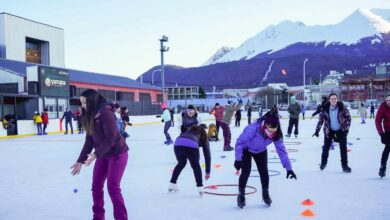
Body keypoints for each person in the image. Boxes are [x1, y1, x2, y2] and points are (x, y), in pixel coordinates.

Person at [70, 89, 129, 220]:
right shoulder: (89, 115)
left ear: (92, 101)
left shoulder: (106, 114)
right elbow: (89, 140)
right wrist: (80, 160)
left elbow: (111, 138)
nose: (83, 106)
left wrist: (95, 154)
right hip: (103, 155)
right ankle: (98, 217)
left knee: (113, 188)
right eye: (82, 103)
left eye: (85, 103)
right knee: (96, 186)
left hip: (117, 154)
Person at [234, 110, 297, 208]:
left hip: (261, 151)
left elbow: (281, 150)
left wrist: (289, 168)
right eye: (270, 130)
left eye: (274, 130)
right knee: (246, 171)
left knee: (264, 172)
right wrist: (238, 159)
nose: (272, 133)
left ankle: (265, 194)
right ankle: (241, 195)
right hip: (246, 149)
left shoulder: (277, 134)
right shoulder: (253, 128)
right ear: (265, 125)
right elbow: (240, 142)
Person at [313, 93, 352, 173]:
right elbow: (321, 120)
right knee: (326, 148)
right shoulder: (325, 108)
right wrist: (317, 130)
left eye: (335, 98)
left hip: (341, 130)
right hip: (329, 131)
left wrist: (346, 129)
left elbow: (348, 118)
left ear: (337, 99)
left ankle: (345, 166)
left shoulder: (342, 107)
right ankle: (323, 164)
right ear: (329, 100)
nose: (333, 100)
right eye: (332, 99)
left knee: (343, 149)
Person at [168, 124, 211, 195]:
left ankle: (172, 184)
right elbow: (207, 154)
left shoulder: (189, 131)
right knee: (195, 166)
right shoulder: (203, 134)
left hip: (178, 143)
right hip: (191, 145)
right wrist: (207, 172)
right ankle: (200, 187)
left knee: (181, 164)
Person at [375, 94, 390, 178]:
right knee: (387, 148)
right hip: (388, 132)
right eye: (387, 100)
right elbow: (378, 120)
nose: (389, 102)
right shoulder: (383, 106)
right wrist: (381, 134)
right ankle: (382, 167)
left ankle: (382, 168)